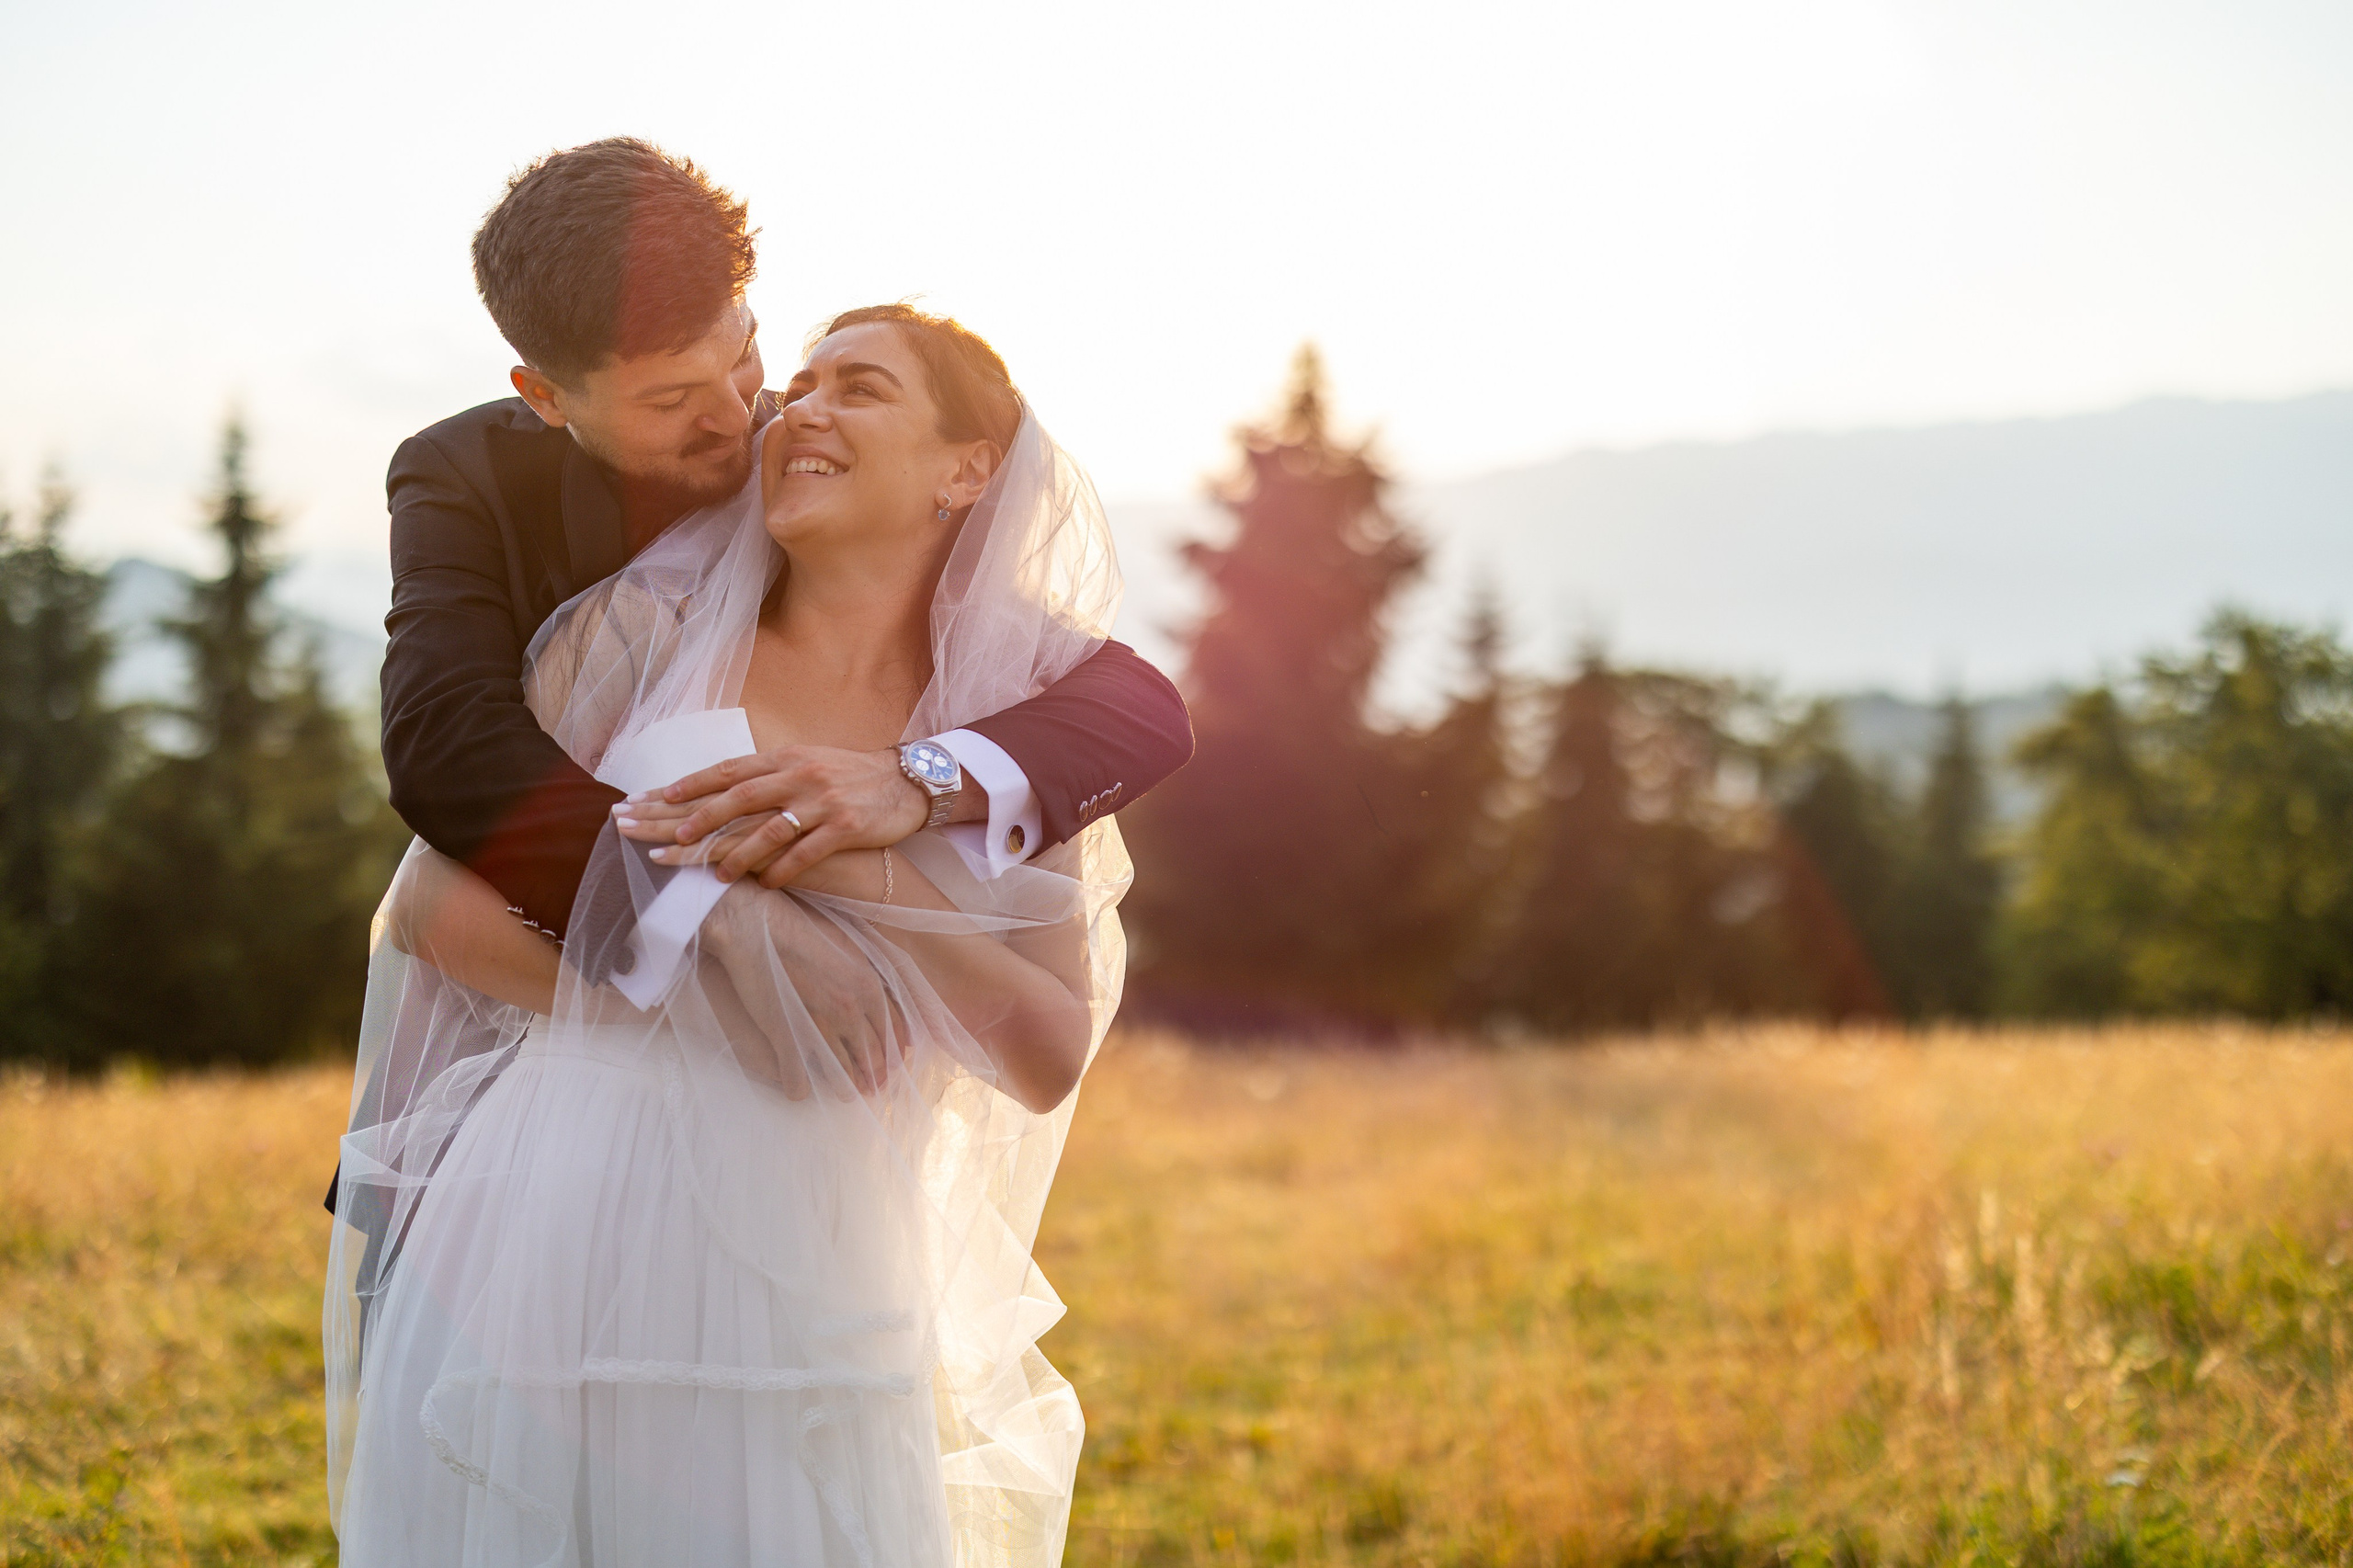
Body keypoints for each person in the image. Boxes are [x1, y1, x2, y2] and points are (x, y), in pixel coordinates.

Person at [328, 304, 1130, 1566]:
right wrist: (716, 958)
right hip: (556, 1229)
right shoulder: (641, 638)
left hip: (825, 1268)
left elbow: (1043, 1052)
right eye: (797, 380)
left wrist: (858, 861)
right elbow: (434, 903)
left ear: (969, 467)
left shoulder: (1008, 735)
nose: (799, 409)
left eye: (857, 387)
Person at [324, 136, 1189, 1213]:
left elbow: (1139, 709)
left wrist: (909, 781)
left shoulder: (818, 450)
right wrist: (724, 920)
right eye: (673, 398)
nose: (743, 417)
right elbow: (448, 752)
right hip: (509, 1143)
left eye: (742, 358)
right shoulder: (468, 480)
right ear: (546, 396)